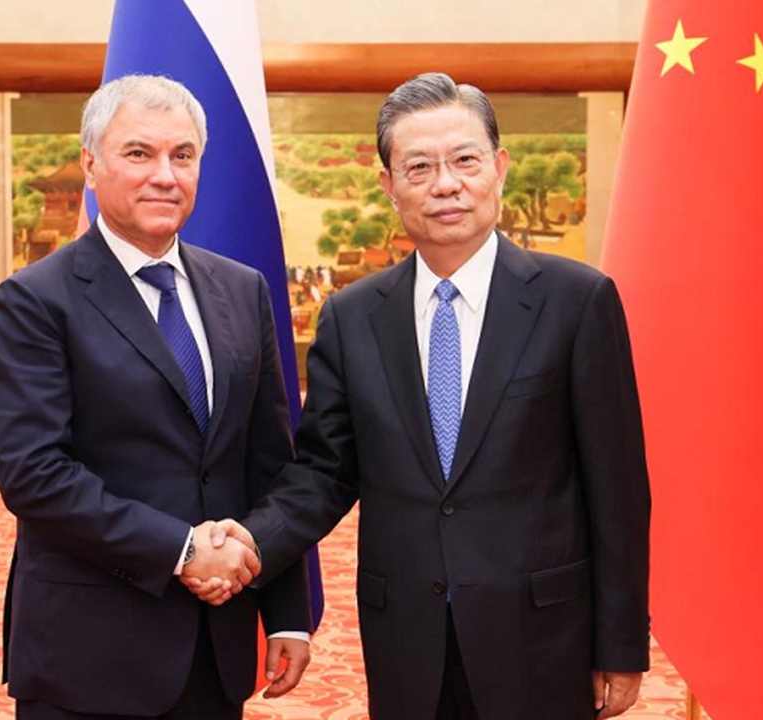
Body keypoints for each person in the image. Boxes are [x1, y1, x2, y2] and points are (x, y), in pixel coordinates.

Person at [195, 72, 651, 719]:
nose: (446, 184)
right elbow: (324, 471)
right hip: (407, 633)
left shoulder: (577, 301)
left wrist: (621, 642)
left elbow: (618, 489)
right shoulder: (352, 318)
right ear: (389, 185)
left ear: (498, 167)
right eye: (419, 166)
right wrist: (249, 539)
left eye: (464, 160)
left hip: (542, 635)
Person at [0, 74, 311, 720]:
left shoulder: (243, 291)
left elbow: (269, 464)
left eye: (182, 155)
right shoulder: (35, 300)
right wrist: (183, 550)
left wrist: (289, 616)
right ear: (90, 164)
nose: (165, 174)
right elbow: (34, 476)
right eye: (139, 153)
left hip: (214, 650)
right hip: (89, 652)